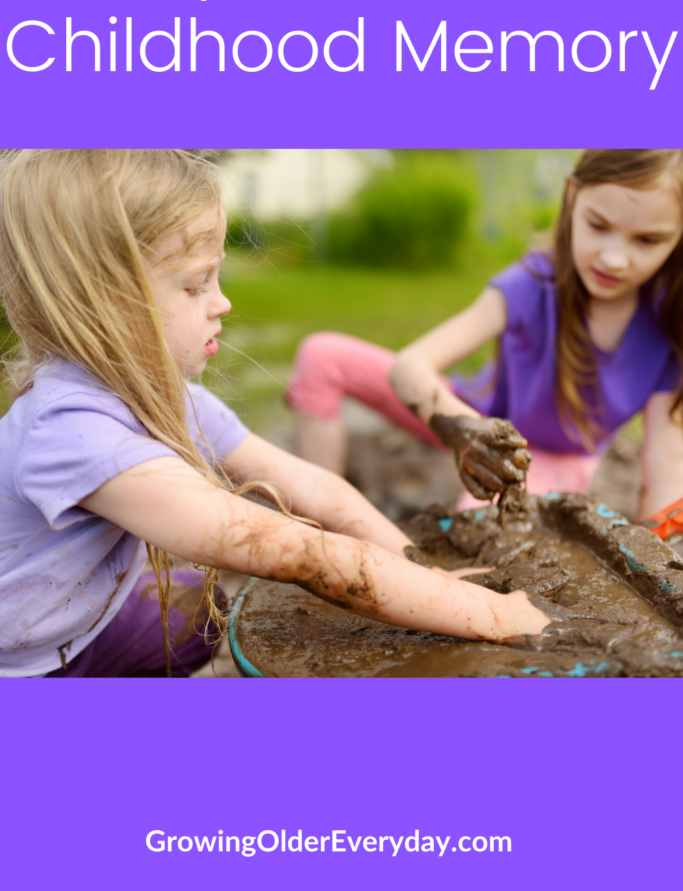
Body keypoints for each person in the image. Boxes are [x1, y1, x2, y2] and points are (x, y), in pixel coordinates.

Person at [0, 149, 550, 679]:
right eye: (194, 285)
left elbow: (317, 489)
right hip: (23, 669)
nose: (223, 302)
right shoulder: (73, 433)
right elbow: (294, 552)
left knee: (205, 605)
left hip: (81, 629)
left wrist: (426, 573)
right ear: (101, 304)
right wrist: (493, 616)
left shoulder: (158, 395)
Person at [287, 150, 683, 521]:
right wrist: (464, 431)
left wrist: (658, 551)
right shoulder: (534, 282)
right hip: (470, 414)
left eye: (647, 240)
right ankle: (323, 519)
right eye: (598, 226)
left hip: (547, 457)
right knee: (321, 356)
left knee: (480, 530)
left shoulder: (669, 325)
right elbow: (411, 365)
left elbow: (665, 465)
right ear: (571, 197)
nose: (614, 258)